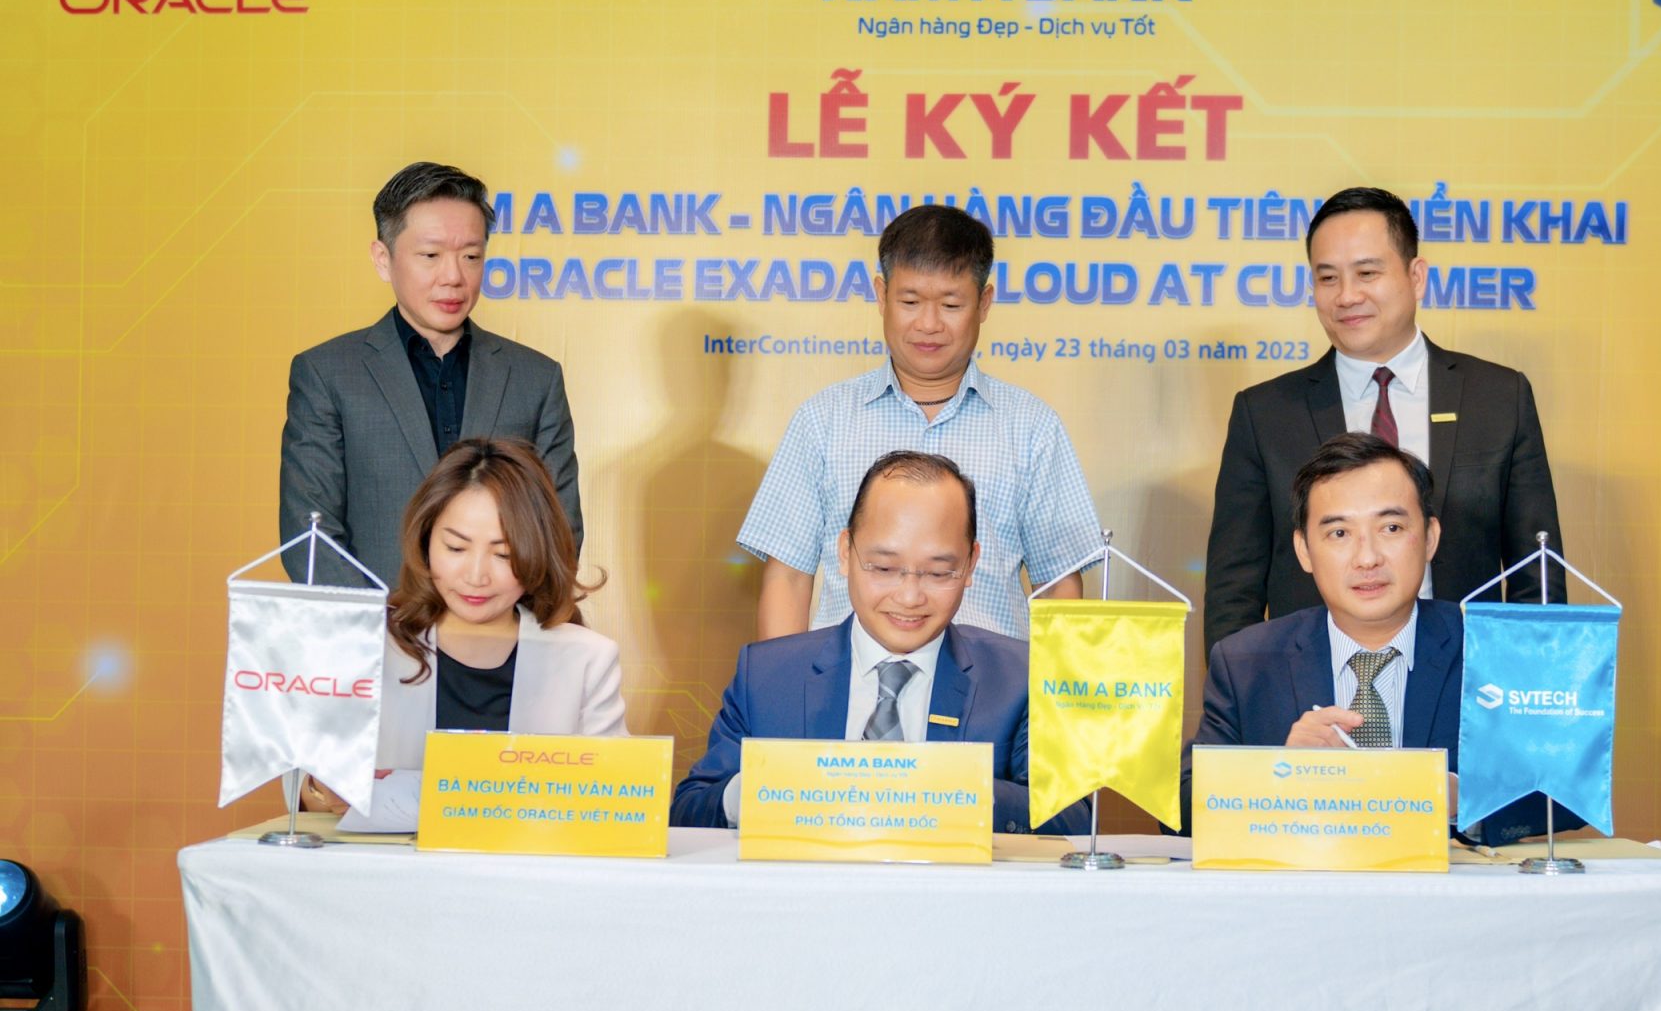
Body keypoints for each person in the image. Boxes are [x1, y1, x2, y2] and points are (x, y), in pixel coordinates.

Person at [1201, 186, 1564, 654]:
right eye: (1327, 278)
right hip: (1310, 685)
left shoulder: (1497, 398)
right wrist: (1241, 690)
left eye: (1367, 273)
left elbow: (1537, 575)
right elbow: (1234, 589)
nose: (1347, 296)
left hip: (1463, 678)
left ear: (1416, 277)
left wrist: (1528, 685)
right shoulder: (1266, 413)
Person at [1182, 433, 1570, 846]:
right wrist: (1280, 776)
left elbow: (1566, 791)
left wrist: (1462, 797)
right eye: (1339, 533)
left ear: (1430, 538)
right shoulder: (1246, 663)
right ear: (1304, 550)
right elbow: (1183, 810)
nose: (1367, 558)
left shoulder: (1497, 651)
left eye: (1391, 527)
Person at [737, 204, 1102, 642]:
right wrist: (785, 682)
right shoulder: (823, 420)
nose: (929, 324)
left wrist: (1054, 686)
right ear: (881, 295)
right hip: (848, 682)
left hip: (990, 683)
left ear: (984, 302)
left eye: (951, 304)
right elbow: (788, 578)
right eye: (910, 302)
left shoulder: (1031, 428)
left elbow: (1058, 585)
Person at [675, 451, 1088, 835]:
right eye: (885, 568)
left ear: (970, 565)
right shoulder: (768, 676)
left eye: (938, 573)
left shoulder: (1020, 678)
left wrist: (952, 789)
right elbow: (689, 811)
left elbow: (1075, 820)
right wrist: (761, 788)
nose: (909, 597)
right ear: (844, 553)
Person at [279, 161, 582, 591]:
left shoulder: (535, 379)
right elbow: (310, 537)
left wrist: (500, 621)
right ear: (383, 259)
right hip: (377, 627)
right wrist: (380, 625)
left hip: (502, 628)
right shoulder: (327, 374)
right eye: (430, 256)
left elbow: (559, 529)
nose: (454, 276)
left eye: (471, 256)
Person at [298, 438, 623, 816]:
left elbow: (611, 800)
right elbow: (306, 793)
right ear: (425, 541)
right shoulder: (366, 644)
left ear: (536, 553)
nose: (476, 576)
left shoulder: (587, 659)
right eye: (455, 548)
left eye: (503, 554)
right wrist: (322, 789)